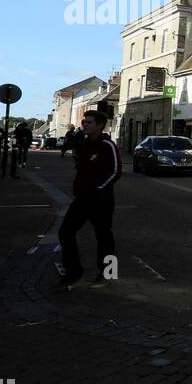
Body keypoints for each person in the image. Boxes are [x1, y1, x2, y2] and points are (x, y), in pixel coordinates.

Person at [56, 110, 121, 287]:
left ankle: (109, 273)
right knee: (65, 232)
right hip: (82, 199)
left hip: (101, 200)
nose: (85, 124)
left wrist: (98, 188)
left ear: (100, 125)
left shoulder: (107, 145)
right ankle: (74, 271)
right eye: (84, 121)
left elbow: (116, 171)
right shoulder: (83, 143)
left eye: (89, 122)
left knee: (104, 237)